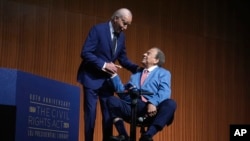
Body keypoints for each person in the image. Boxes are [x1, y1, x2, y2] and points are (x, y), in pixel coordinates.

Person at [77, 8, 139, 141]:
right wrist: (105, 65)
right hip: (91, 79)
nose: (125, 27)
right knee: (90, 115)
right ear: (115, 18)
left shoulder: (122, 36)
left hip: (107, 83)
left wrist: (138, 69)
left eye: (128, 24)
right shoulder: (98, 30)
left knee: (108, 117)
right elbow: (86, 53)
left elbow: (123, 59)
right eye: (124, 23)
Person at [107, 47, 177, 141]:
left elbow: (165, 92)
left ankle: (147, 136)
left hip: (152, 110)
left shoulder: (164, 73)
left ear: (156, 60)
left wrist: (152, 103)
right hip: (134, 106)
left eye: (148, 53)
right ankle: (123, 135)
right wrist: (113, 75)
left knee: (171, 103)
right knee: (111, 100)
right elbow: (123, 93)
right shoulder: (136, 74)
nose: (144, 54)